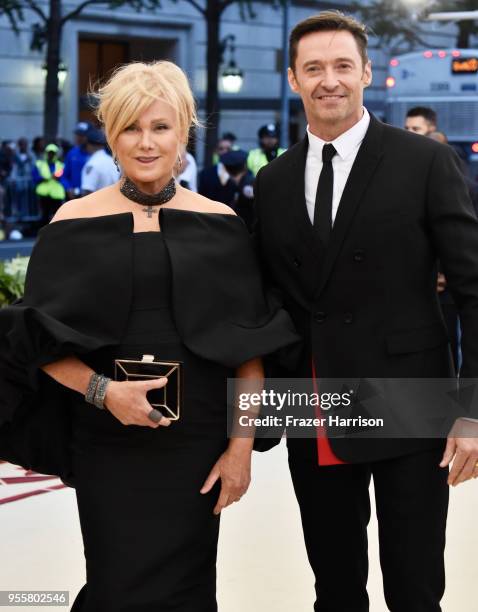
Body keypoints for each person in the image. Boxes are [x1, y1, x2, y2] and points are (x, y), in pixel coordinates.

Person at [0, 60, 298, 611]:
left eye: (160, 127)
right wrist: (103, 392)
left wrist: (240, 450)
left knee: (187, 590)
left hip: (197, 447)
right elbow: (35, 344)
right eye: (130, 127)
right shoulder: (71, 222)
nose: (145, 142)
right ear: (111, 134)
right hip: (108, 443)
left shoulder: (222, 223)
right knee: (117, 586)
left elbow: (250, 350)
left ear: (183, 131)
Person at [253, 11, 478, 612]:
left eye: (343, 66)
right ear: (294, 78)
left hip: (410, 398)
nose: (330, 80)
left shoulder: (425, 162)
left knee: (415, 585)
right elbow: (265, 299)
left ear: (367, 74)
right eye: (315, 68)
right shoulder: (272, 183)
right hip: (313, 400)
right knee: (334, 583)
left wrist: (472, 411)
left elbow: (474, 288)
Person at [199, 149, 255, 231]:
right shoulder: (246, 180)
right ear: (245, 166)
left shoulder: (246, 185)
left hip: (244, 230)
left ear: (226, 169)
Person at [32, 143, 67, 226]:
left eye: (53, 153)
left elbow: (65, 178)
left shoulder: (61, 165)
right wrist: (44, 178)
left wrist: (58, 178)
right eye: (49, 153)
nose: (51, 155)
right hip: (44, 194)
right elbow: (35, 177)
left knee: (57, 216)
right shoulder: (39, 164)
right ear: (46, 153)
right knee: (44, 216)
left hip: (57, 194)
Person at [80, 127, 119, 195]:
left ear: (89, 145)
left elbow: (88, 191)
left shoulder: (92, 164)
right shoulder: (112, 161)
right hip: (114, 202)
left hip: (96, 204)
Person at [63, 122, 91, 199]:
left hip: (91, 195)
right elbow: (64, 175)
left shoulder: (95, 154)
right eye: (77, 135)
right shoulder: (72, 153)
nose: (79, 138)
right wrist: (68, 188)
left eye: (82, 135)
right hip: (74, 196)